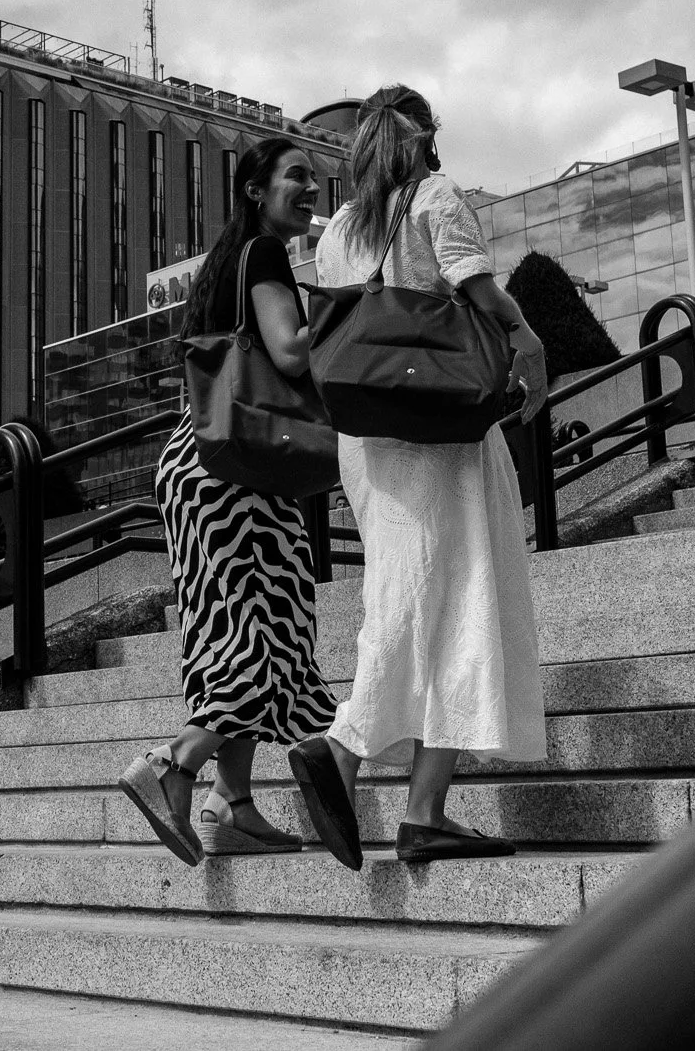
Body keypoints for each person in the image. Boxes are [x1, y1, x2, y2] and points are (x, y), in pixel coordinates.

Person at [287, 84, 548, 867]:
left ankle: (421, 808)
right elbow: (477, 287)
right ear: (428, 134)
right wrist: (529, 339)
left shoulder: (338, 231)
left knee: (409, 594)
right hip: (441, 428)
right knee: (460, 593)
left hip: (368, 437)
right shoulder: (436, 196)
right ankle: (348, 747)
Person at [118, 135, 342, 867]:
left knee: (250, 629)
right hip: (235, 477)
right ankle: (175, 763)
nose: (312, 188)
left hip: (204, 461)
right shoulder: (269, 256)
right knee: (267, 634)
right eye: (297, 177)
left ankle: (233, 799)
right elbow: (290, 353)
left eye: (315, 178)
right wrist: (351, 312)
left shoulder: (229, 261)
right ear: (255, 188)